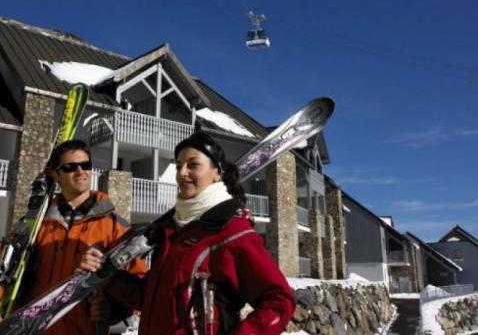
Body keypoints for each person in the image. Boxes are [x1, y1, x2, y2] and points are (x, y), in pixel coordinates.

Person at [81, 132, 296, 335]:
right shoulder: (171, 232)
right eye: (179, 166)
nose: (182, 173)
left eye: (193, 165)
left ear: (216, 173)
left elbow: (279, 301)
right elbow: (150, 298)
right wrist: (107, 275)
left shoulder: (234, 234)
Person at [19, 139, 148, 335]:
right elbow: (9, 271)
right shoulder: (36, 223)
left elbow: (138, 288)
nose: (81, 172)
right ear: (56, 174)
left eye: (85, 165)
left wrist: (112, 310)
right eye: (70, 167)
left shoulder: (115, 227)